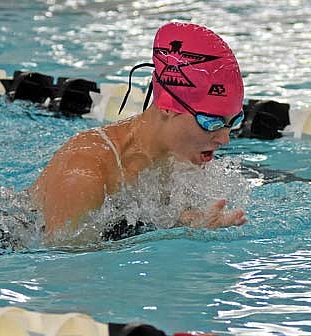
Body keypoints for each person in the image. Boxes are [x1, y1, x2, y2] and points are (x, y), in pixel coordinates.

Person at [29, 22, 248, 237]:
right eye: (211, 122)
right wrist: (176, 236)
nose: (225, 138)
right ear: (168, 107)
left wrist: (188, 222)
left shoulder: (181, 157)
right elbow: (65, 263)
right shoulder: (83, 176)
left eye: (234, 121)